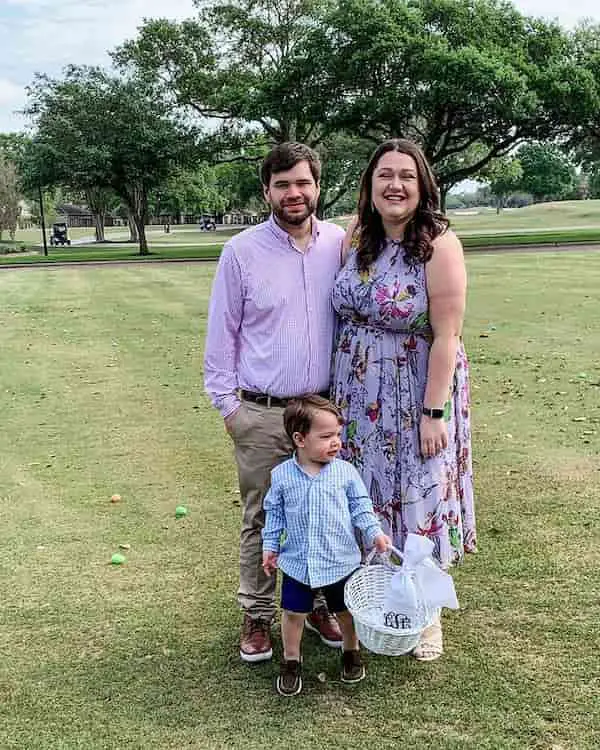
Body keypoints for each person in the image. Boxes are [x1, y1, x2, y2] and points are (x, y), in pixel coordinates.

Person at [330, 138, 477, 662]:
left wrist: (433, 411)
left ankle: (426, 613)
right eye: (384, 175)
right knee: (366, 494)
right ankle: (371, 602)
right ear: (369, 185)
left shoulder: (438, 243)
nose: (395, 185)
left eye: (406, 176)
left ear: (423, 186)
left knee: (419, 493)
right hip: (355, 393)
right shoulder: (355, 237)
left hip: (414, 388)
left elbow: (448, 336)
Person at [204, 142, 346, 663]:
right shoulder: (241, 251)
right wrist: (229, 408)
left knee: (324, 512)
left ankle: (317, 604)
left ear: (317, 187)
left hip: (321, 410)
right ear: (266, 190)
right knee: (264, 516)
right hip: (262, 411)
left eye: (303, 182)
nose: (294, 193)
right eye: (283, 184)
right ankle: (258, 614)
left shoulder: (338, 243)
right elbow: (222, 337)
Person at [262, 395, 391, 696]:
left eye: (337, 435)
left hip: (340, 562)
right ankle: (291, 660)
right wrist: (270, 548)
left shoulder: (345, 473)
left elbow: (361, 507)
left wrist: (375, 533)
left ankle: (351, 650)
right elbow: (274, 516)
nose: (336, 442)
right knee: (293, 613)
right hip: (298, 564)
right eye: (326, 436)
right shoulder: (281, 477)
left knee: (345, 611)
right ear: (300, 439)